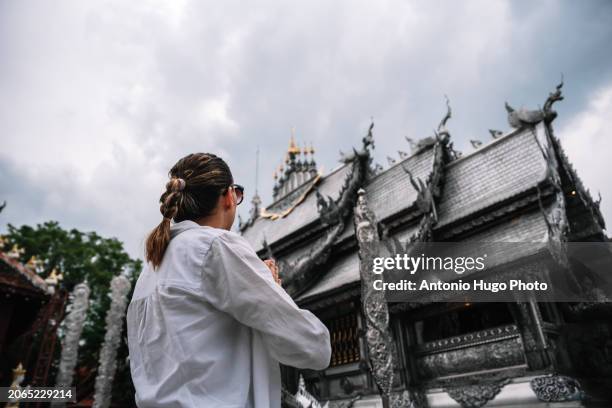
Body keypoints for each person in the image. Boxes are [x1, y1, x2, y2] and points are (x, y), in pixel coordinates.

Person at [126, 153, 331, 407]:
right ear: (229, 196)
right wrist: (273, 291)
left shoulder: (150, 270)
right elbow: (314, 346)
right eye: (237, 193)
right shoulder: (215, 245)